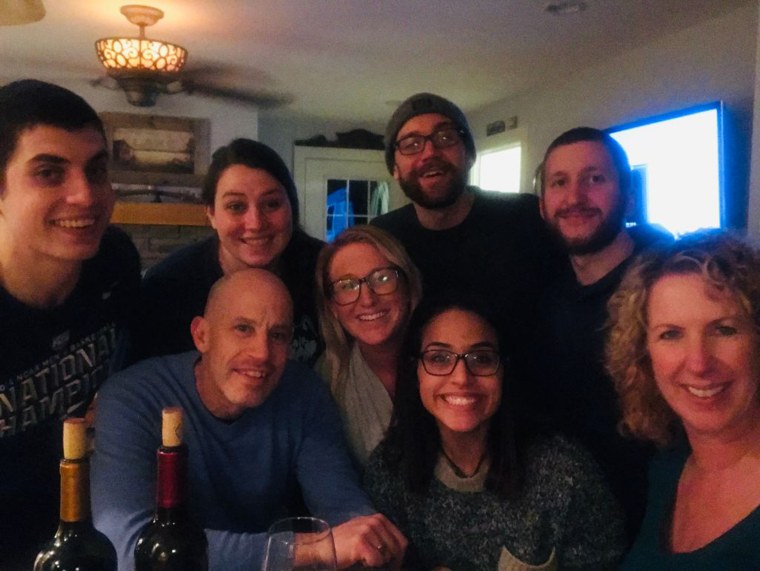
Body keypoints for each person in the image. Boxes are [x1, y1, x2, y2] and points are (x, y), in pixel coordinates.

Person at [92, 269, 407, 571]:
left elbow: (343, 509)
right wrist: (312, 548)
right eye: (243, 329)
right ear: (202, 335)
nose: (261, 353)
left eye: (278, 335)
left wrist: (369, 541)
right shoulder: (133, 398)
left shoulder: (303, 392)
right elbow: (128, 548)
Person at [364, 295, 626, 570]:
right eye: (439, 358)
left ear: (503, 370)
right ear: (415, 370)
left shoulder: (565, 474)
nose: (461, 377)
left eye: (481, 358)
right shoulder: (390, 470)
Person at [0, 79, 141, 569]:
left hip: (86, 537)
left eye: (96, 170)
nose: (85, 195)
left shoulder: (115, 261)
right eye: (49, 172)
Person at [524, 126, 672, 539]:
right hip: (577, 533)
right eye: (559, 183)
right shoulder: (546, 297)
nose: (574, 198)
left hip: (661, 530)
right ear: (542, 205)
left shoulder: (667, 290)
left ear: (629, 197)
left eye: (595, 179)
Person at [606, 230, 760, 570]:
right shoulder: (666, 469)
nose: (698, 362)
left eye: (724, 329)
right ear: (643, 354)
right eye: (671, 334)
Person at [371, 92, 557, 361]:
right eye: (411, 144)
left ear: (469, 154)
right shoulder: (382, 239)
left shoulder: (527, 217)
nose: (430, 152)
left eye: (445, 137)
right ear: (395, 169)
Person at [135, 138, 324, 366]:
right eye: (236, 206)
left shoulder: (325, 269)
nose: (255, 223)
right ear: (211, 214)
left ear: (291, 207)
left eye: (271, 204)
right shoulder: (168, 287)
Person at [315, 225, 422, 466]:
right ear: (332, 306)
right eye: (347, 286)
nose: (367, 299)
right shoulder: (329, 376)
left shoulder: (448, 361)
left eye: (382, 278)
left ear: (408, 286)